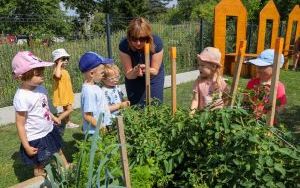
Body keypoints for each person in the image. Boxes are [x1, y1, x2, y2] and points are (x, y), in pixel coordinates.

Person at [12, 51, 69, 177]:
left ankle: (66, 168)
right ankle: (40, 180)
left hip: (48, 129)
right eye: (38, 74)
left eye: (42, 72)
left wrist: (53, 117)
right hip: (36, 136)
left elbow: (44, 108)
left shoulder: (41, 89)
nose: (42, 76)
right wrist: (26, 145)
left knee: (58, 149)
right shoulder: (21, 97)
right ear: (22, 76)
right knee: (40, 162)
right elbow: (20, 124)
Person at [119, 17, 164, 106]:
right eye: (134, 39)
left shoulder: (156, 43)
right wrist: (135, 71)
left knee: (155, 104)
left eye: (142, 39)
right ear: (129, 36)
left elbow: (155, 71)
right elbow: (128, 74)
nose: (138, 43)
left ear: (148, 37)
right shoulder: (124, 46)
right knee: (136, 106)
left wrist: (147, 69)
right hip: (134, 79)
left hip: (153, 78)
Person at [246, 49, 287, 120]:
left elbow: (281, 105)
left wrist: (266, 113)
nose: (258, 69)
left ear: (275, 68)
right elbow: (245, 99)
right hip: (250, 118)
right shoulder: (252, 83)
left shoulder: (278, 86)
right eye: (257, 66)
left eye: (262, 67)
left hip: (267, 122)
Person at [79, 51, 113, 135]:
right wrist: (101, 126)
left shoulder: (94, 87)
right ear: (91, 73)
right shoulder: (89, 91)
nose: (103, 75)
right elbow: (87, 116)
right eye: (102, 72)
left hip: (99, 129)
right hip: (94, 132)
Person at [190, 47, 229, 115]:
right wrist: (191, 114)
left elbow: (227, 97)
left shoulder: (221, 82)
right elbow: (195, 100)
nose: (199, 68)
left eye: (202, 65)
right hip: (203, 117)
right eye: (199, 65)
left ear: (213, 67)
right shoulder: (198, 82)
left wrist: (225, 110)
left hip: (218, 118)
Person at [52, 48, 79, 130]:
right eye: (63, 59)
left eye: (67, 58)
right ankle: (57, 119)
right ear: (57, 60)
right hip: (63, 94)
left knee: (66, 109)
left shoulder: (64, 70)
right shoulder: (57, 70)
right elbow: (57, 76)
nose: (66, 60)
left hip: (67, 93)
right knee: (70, 110)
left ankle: (67, 123)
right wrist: (59, 65)